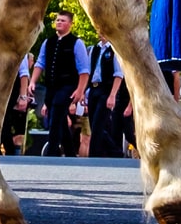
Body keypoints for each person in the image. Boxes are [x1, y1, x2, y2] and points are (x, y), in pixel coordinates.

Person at [28, 9, 90, 156]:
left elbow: (84, 70)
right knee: (60, 119)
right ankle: (69, 152)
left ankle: (52, 152)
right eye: (58, 20)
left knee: (55, 115)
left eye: (63, 20)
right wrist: (32, 82)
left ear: (70, 24)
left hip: (68, 86)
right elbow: (40, 63)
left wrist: (80, 90)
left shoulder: (77, 43)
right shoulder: (48, 42)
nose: (59, 22)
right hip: (52, 85)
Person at [88, 40, 129, 158]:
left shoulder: (114, 49)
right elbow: (90, 71)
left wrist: (112, 95)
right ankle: (115, 151)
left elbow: (118, 74)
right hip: (94, 88)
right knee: (95, 125)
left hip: (106, 90)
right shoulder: (94, 49)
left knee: (97, 125)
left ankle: (93, 156)